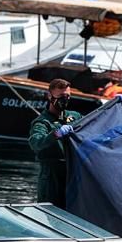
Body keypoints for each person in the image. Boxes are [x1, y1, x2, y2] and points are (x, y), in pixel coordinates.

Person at [28, 78, 81, 209]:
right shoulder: (42, 122)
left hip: (72, 173)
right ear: (50, 96)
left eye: (68, 96)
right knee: (52, 214)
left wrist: (113, 104)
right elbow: (36, 142)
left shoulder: (74, 117)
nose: (65, 99)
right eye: (61, 96)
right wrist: (56, 134)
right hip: (52, 177)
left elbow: (93, 124)